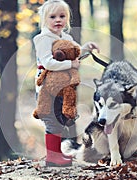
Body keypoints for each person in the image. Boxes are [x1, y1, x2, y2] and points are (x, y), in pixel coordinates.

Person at [33, 0, 100, 167]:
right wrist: (70, 65)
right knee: (51, 119)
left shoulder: (66, 37)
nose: (58, 20)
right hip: (47, 89)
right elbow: (48, 63)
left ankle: (57, 153)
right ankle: (52, 157)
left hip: (63, 88)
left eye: (62, 16)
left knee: (60, 119)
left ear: (67, 19)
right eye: (53, 17)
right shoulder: (42, 39)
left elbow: (75, 54)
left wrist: (86, 48)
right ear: (44, 20)